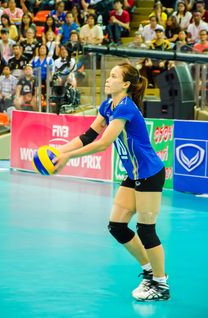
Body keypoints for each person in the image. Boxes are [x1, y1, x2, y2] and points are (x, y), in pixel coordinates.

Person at [54, 62, 170, 301]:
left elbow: (103, 143)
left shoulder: (126, 108)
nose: (108, 79)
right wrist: (58, 150)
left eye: (114, 76)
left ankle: (161, 285)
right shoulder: (108, 105)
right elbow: (88, 136)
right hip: (134, 174)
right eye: (109, 75)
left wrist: (66, 157)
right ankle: (149, 271)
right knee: (117, 226)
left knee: (146, 229)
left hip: (149, 173)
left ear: (125, 84)